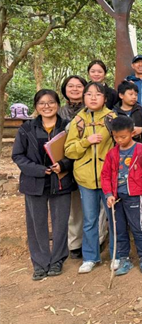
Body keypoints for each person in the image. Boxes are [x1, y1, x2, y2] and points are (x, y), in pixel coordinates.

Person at [12, 90, 74, 280]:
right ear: (36, 106)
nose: (47, 106)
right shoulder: (27, 128)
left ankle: (57, 261)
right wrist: (39, 170)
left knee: (60, 222)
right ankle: (40, 263)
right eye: (42, 103)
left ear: (58, 104)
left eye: (51, 102)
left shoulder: (67, 127)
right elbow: (18, 155)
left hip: (60, 180)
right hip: (34, 182)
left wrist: (63, 164)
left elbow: (75, 152)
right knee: (36, 223)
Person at [64, 82, 117, 274]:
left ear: (105, 98)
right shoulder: (77, 120)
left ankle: (117, 255)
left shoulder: (112, 118)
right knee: (90, 219)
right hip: (85, 177)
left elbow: (122, 144)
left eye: (98, 94)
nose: (93, 97)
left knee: (114, 218)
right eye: (89, 94)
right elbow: (69, 151)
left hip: (109, 177)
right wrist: (87, 141)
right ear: (84, 97)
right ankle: (90, 257)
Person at [102, 116, 142, 276]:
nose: (119, 140)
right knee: (119, 229)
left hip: (135, 195)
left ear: (132, 133)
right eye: (116, 137)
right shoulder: (112, 153)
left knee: (137, 227)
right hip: (117, 197)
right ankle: (124, 259)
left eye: (123, 137)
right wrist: (108, 194)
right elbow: (105, 175)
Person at [58, 75, 96, 260]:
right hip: (65, 161)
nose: (74, 89)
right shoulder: (59, 112)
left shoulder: (92, 110)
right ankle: (75, 243)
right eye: (70, 86)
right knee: (74, 205)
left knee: (94, 206)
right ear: (64, 90)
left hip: (90, 161)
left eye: (79, 86)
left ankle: (97, 241)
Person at [113, 81, 142, 147]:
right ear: (121, 95)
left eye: (136, 95)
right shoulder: (114, 113)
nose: (134, 97)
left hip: (141, 148)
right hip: (121, 148)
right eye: (131, 94)